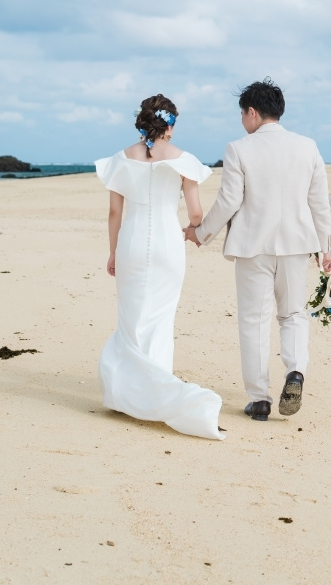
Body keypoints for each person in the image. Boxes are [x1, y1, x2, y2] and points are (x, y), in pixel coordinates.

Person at [186, 80, 331, 421]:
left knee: (254, 319)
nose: (241, 120)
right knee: (293, 314)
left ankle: (260, 399)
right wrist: (325, 247)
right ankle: (295, 372)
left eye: (242, 113)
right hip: (298, 245)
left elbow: (229, 201)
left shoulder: (239, 148)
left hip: (254, 246)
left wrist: (200, 232)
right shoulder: (308, 146)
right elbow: (319, 203)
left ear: (252, 112)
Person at [94, 94, 224, 439]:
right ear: (171, 123)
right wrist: (193, 229)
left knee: (132, 318)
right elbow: (196, 215)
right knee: (161, 318)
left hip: (132, 243)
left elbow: (114, 213)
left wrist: (113, 252)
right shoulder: (185, 160)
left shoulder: (122, 159)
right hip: (168, 243)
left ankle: (127, 394)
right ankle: (156, 392)